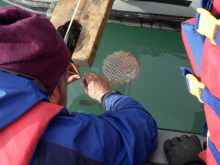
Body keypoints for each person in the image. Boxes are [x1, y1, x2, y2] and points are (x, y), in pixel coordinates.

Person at [0, 6, 158, 165]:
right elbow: (141, 132)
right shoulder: (60, 143)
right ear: (54, 91)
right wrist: (106, 96)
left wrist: (49, 97)